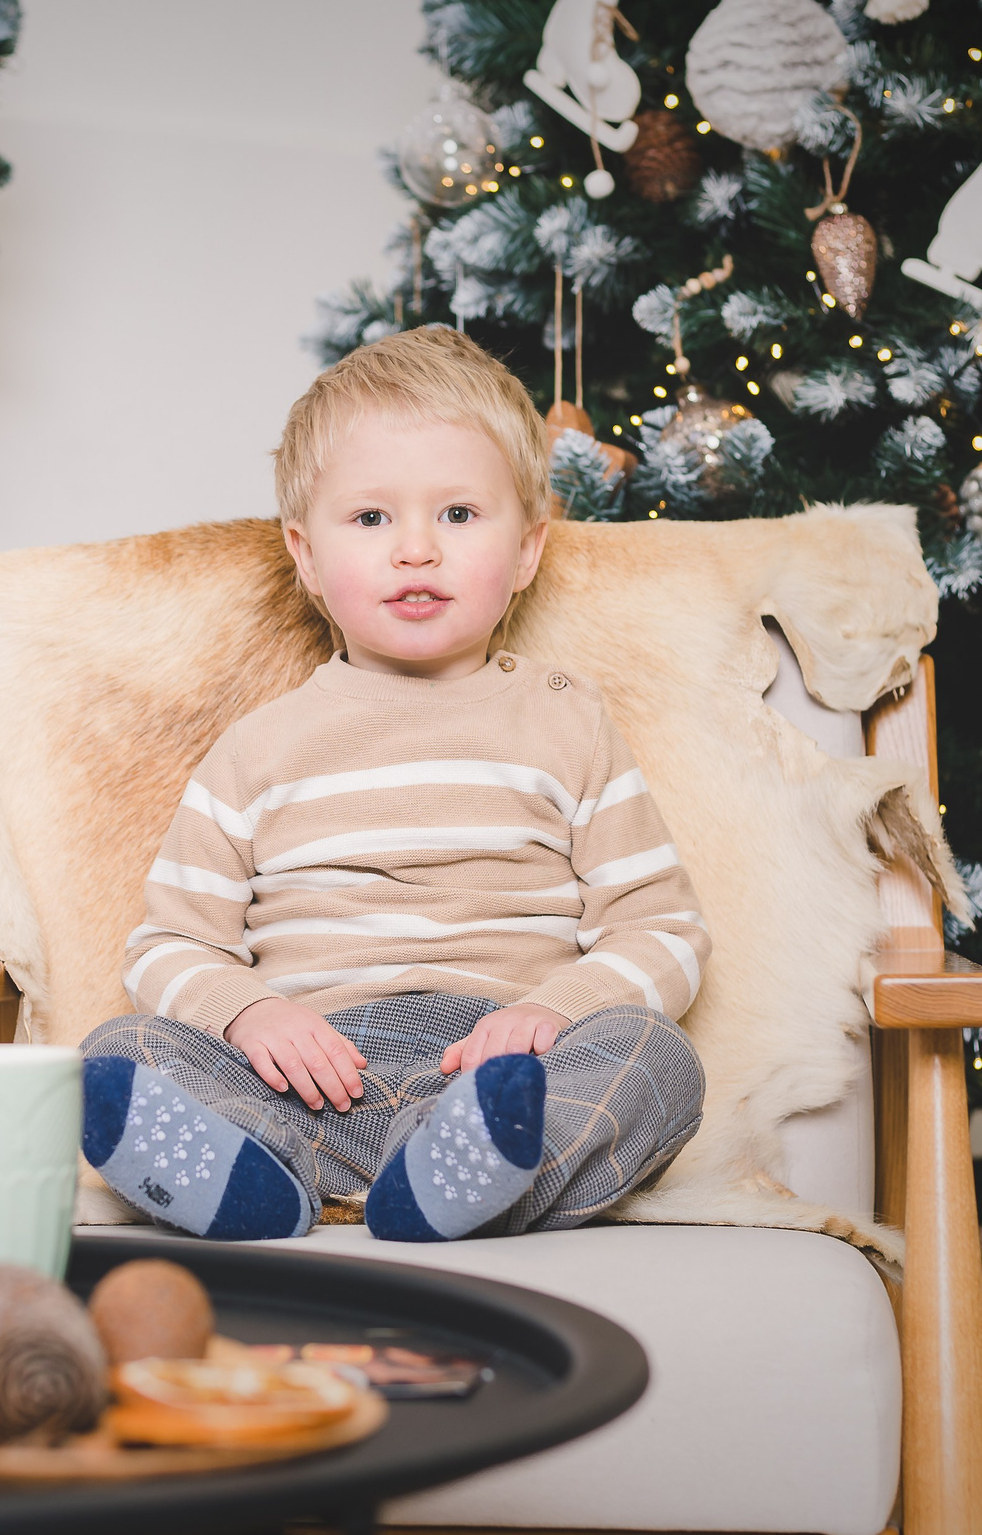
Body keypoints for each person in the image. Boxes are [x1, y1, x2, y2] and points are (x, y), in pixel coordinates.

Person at [79, 326, 708, 1243]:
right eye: (372, 519)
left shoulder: (569, 725)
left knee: (660, 1063)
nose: (416, 549)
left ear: (528, 550)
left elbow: (664, 931)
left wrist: (550, 1011)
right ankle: (261, 1177)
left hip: (503, 1079)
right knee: (120, 1051)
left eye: (458, 515)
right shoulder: (257, 749)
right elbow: (167, 945)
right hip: (306, 1084)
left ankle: (469, 1173)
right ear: (304, 554)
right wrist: (251, 1013)